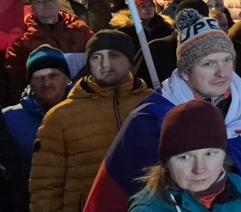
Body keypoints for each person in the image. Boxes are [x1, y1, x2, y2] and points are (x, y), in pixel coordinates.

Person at [84, 10, 241, 211]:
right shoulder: (152, 117)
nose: (222, 72)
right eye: (208, 63)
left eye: (227, 60)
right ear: (185, 72)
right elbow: (118, 191)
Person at [31, 31, 152, 212]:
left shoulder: (153, 105)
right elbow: (45, 186)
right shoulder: (60, 116)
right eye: (96, 57)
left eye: (114, 55)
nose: (105, 64)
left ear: (130, 61)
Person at [127, 100, 241, 211]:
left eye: (209, 153)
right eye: (185, 157)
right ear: (166, 162)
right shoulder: (147, 209)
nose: (199, 169)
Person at [3, 46, 73, 211]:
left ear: (67, 78)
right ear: (29, 82)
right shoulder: (8, 119)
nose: (46, 83)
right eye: (38, 78)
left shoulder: (86, 112)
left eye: (53, 75)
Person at [5, 0, 91, 105]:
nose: (46, 4)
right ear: (31, 8)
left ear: (59, 3)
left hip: (78, 95)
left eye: (50, 0)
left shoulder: (79, 29)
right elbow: (15, 70)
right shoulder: (21, 34)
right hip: (40, 97)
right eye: (39, 1)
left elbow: (93, 57)